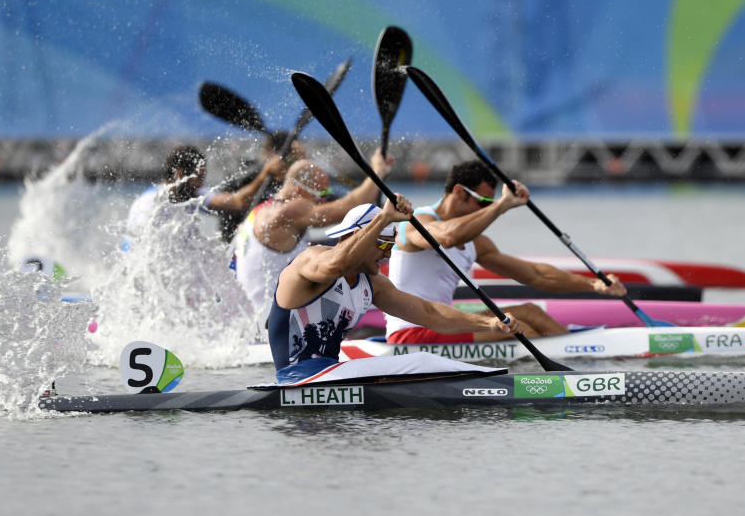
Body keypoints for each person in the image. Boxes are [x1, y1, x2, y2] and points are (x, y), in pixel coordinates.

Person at [268, 197, 524, 383]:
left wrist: (489, 324)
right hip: (297, 379)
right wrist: (384, 218)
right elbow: (337, 264)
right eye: (384, 245)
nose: (389, 254)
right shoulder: (311, 260)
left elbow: (429, 314)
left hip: (331, 374)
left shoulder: (372, 284)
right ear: (359, 235)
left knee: (423, 362)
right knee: (422, 363)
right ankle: (499, 388)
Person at [384, 160, 626, 343]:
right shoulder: (415, 223)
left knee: (531, 312)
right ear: (458, 192)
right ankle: (562, 377)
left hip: (445, 324)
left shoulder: (475, 242)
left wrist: (594, 286)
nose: (486, 210)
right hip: (411, 333)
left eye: (490, 203)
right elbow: (447, 237)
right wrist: (501, 205)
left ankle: (575, 357)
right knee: (523, 331)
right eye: (484, 202)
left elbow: (534, 275)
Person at [232, 148, 391, 322]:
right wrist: (378, 171)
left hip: (256, 318)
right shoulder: (290, 210)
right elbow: (354, 206)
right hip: (273, 322)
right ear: (299, 189)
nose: (323, 200)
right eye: (321, 193)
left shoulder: (262, 210)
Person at [124, 145, 274, 244]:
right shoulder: (151, 203)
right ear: (179, 174)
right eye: (198, 178)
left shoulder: (191, 194)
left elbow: (237, 202)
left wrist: (264, 174)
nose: (201, 185)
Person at [215, 130, 306, 242]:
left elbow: (321, 199)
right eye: (292, 160)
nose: (296, 166)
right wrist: (264, 176)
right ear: (273, 156)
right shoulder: (247, 173)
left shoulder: (290, 183)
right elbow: (237, 202)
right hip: (236, 243)